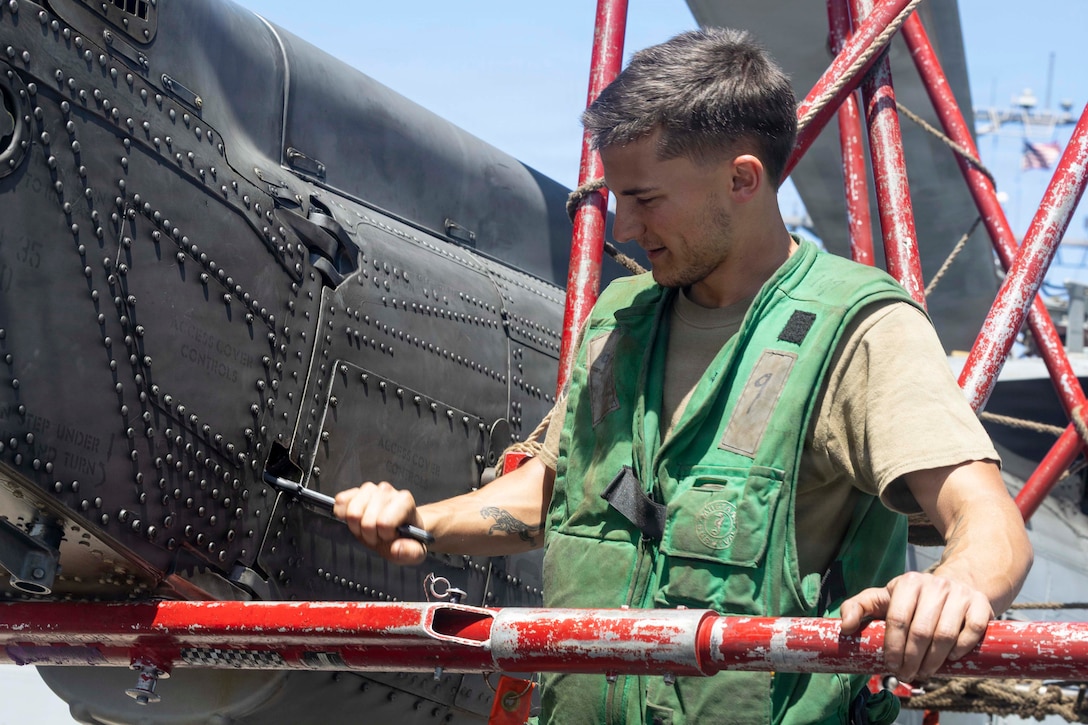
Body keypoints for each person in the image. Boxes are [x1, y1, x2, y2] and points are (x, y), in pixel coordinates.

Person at [333, 27, 1032, 725]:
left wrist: (957, 585)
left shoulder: (859, 328)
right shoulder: (619, 319)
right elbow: (555, 492)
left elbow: (989, 521)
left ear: (742, 179)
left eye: (645, 198)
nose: (626, 227)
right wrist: (422, 521)